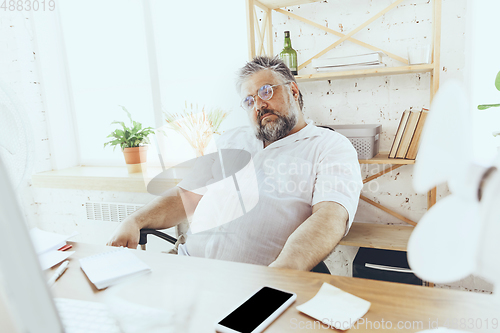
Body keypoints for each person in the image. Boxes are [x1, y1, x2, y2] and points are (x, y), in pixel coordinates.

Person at [107, 56, 363, 272]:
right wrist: (135, 220)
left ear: (293, 91)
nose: (259, 105)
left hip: (256, 280)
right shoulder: (231, 140)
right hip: (185, 265)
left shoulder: (330, 146)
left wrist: (284, 271)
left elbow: (331, 216)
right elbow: (185, 197)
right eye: (249, 100)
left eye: (266, 91)